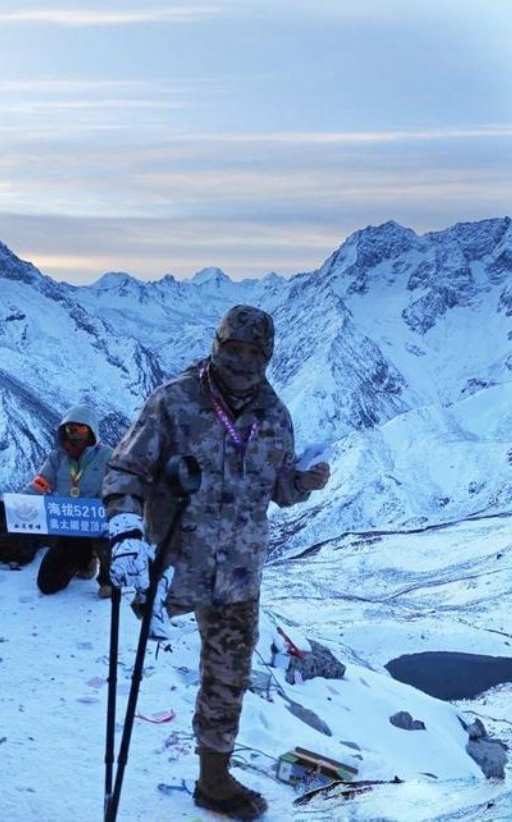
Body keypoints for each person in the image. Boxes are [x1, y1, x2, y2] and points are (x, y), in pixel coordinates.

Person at [103, 305, 330, 820]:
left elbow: (279, 489)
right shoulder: (174, 402)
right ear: (216, 345)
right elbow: (124, 471)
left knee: (228, 676)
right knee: (136, 666)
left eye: (255, 353)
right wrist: (122, 530)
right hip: (174, 566)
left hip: (239, 574)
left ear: (268, 357)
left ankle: (213, 778)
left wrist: (303, 483)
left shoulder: (275, 416)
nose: (243, 362)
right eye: (234, 350)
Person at [25, 404, 114, 598]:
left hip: (99, 524)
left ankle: (108, 579)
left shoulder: (109, 456)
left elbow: (118, 487)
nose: (74, 434)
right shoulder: (57, 457)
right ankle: (84, 562)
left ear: (91, 431)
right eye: (69, 429)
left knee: (109, 540)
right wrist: (23, 501)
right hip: (70, 523)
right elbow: (42, 482)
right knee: (47, 583)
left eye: (80, 429)